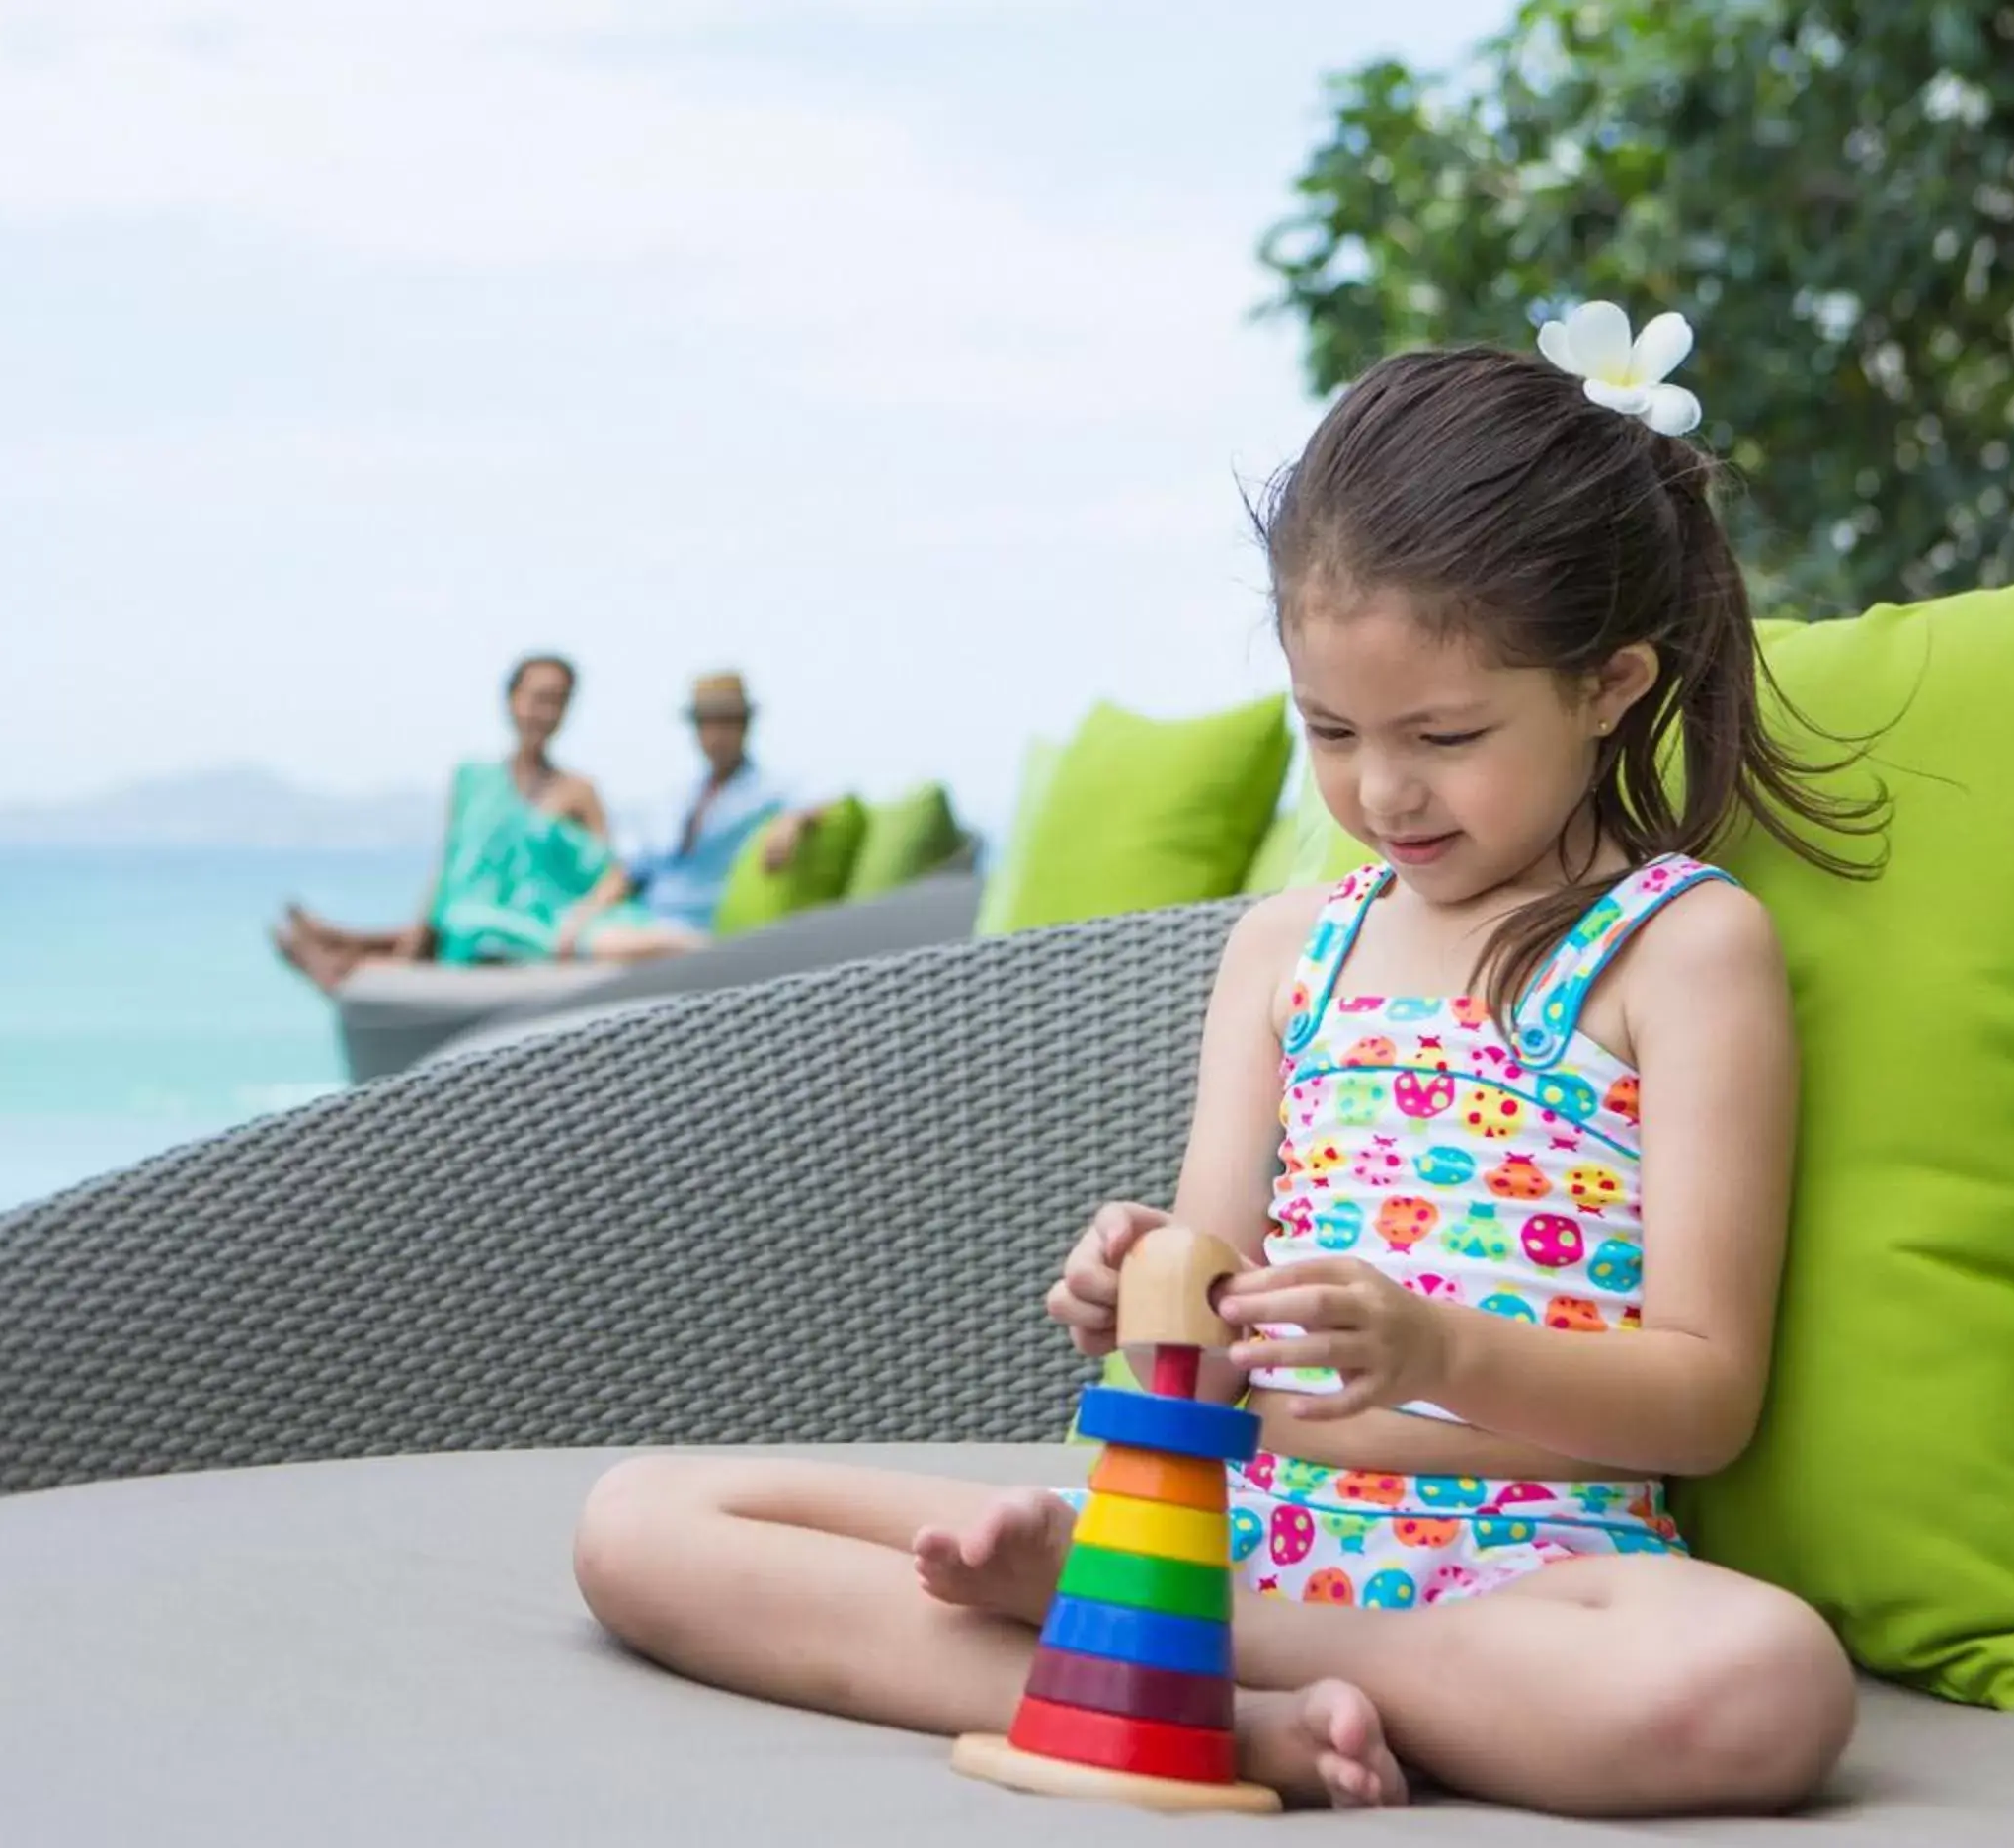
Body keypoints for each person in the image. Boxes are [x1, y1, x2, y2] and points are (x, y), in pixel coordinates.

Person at [568, 308, 1892, 1816]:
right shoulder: (1286, 948)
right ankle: (1235, 1714)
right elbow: (1195, 1345)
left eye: (1447, 734)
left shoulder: (1682, 947)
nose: (1383, 789)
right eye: (1330, 729)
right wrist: (1139, 1292)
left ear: (1609, 684)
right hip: (1213, 1514)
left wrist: (1438, 1351)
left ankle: (1180, 1671)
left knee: (1762, 1687)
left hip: (1514, 1570)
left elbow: (1705, 1397)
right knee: (643, 1520)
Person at [273, 653, 610, 993]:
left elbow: (612, 875)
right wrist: (415, 942)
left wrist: (578, 920)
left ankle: (341, 947)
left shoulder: (579, 792)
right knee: (459, 924)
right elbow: (451, 869)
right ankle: (342, 945)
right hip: (468, 925)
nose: (545, 713)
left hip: (532, 931)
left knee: (476, 928)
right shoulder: (474, 779)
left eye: (558, 702)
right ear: (512, 700)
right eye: (538, 699)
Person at [552, 670, 820, 963]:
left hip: (701, 917)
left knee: (608, 942)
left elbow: (822, 801)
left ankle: (702, 949)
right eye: (707, 724)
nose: (716, 736)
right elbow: (634, 868)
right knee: (566, 927)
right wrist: (585, 912)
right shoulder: (679, 798)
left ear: (744, 726)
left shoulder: (768, 791)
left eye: (726, 723)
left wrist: (791, 822)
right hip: (650, 916)